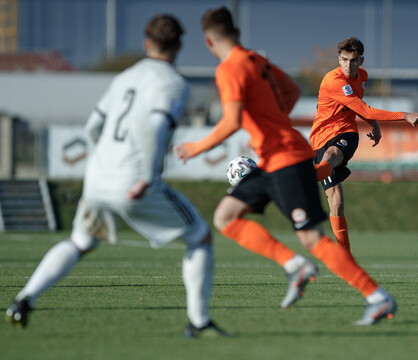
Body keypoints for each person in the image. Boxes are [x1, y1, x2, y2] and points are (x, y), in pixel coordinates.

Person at [5, 14, 227, 338]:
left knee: (80, 241)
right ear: (179, 44)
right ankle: (199, 322)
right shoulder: (172, 83)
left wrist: (106, 160)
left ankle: (24, 299)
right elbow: (156, 125)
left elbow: (93, 126)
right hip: (133, 179)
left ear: (145, 43)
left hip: (97, 177)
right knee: (199, 237)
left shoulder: (125, 77)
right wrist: (147, 176)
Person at [176, 7, 397, 325]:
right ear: (236, 34)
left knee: (311, 239)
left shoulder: (228, 69)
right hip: (271, 158)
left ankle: (377, 298)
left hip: (286, 158)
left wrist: (197, 147)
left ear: (209, 43)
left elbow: (232, 121)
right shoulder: (257, 61)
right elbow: (291, 91)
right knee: (225, 216)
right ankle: (295, 266)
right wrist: (273, 120)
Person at [311, 36, 418, 252]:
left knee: (333, 155)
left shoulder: (362, 76)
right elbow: (366, 109)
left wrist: (373, 124)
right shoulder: (334, 81)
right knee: (336, 203)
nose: (347, 65)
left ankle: (346, 259)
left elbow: (359, 107)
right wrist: (404, 115)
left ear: (361, 60)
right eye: (343, 59)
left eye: (353, 60)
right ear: (338, 58)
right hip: (320, 137)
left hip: (346, 133)